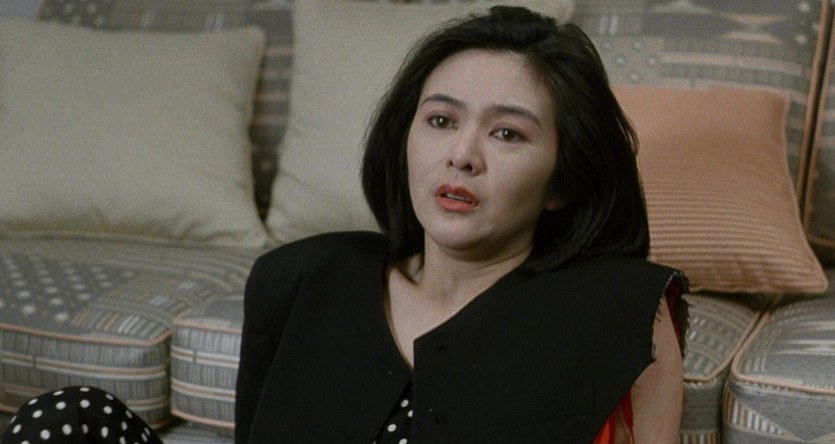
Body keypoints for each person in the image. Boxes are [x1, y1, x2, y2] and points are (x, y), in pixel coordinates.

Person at [1, 6, 687, 444]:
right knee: (71, 420)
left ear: (563, 182)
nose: (461, 154)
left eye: (507, 133)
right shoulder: (301, 276)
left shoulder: (623, 310)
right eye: (440, 120)